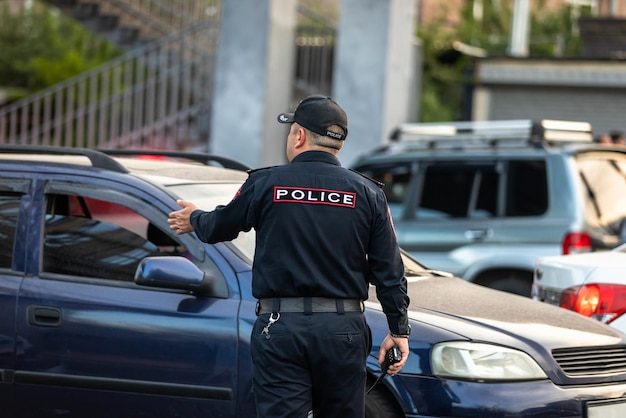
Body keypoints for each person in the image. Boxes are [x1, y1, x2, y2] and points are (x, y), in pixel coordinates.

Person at [167, 94, 410, 418]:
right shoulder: (368, 192)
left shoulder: (266, 183)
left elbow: (217, 228)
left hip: (280, 327)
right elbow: (389, 270)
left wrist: (194, 217)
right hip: (343, 330)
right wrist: (398, 331)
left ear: (299, 135)